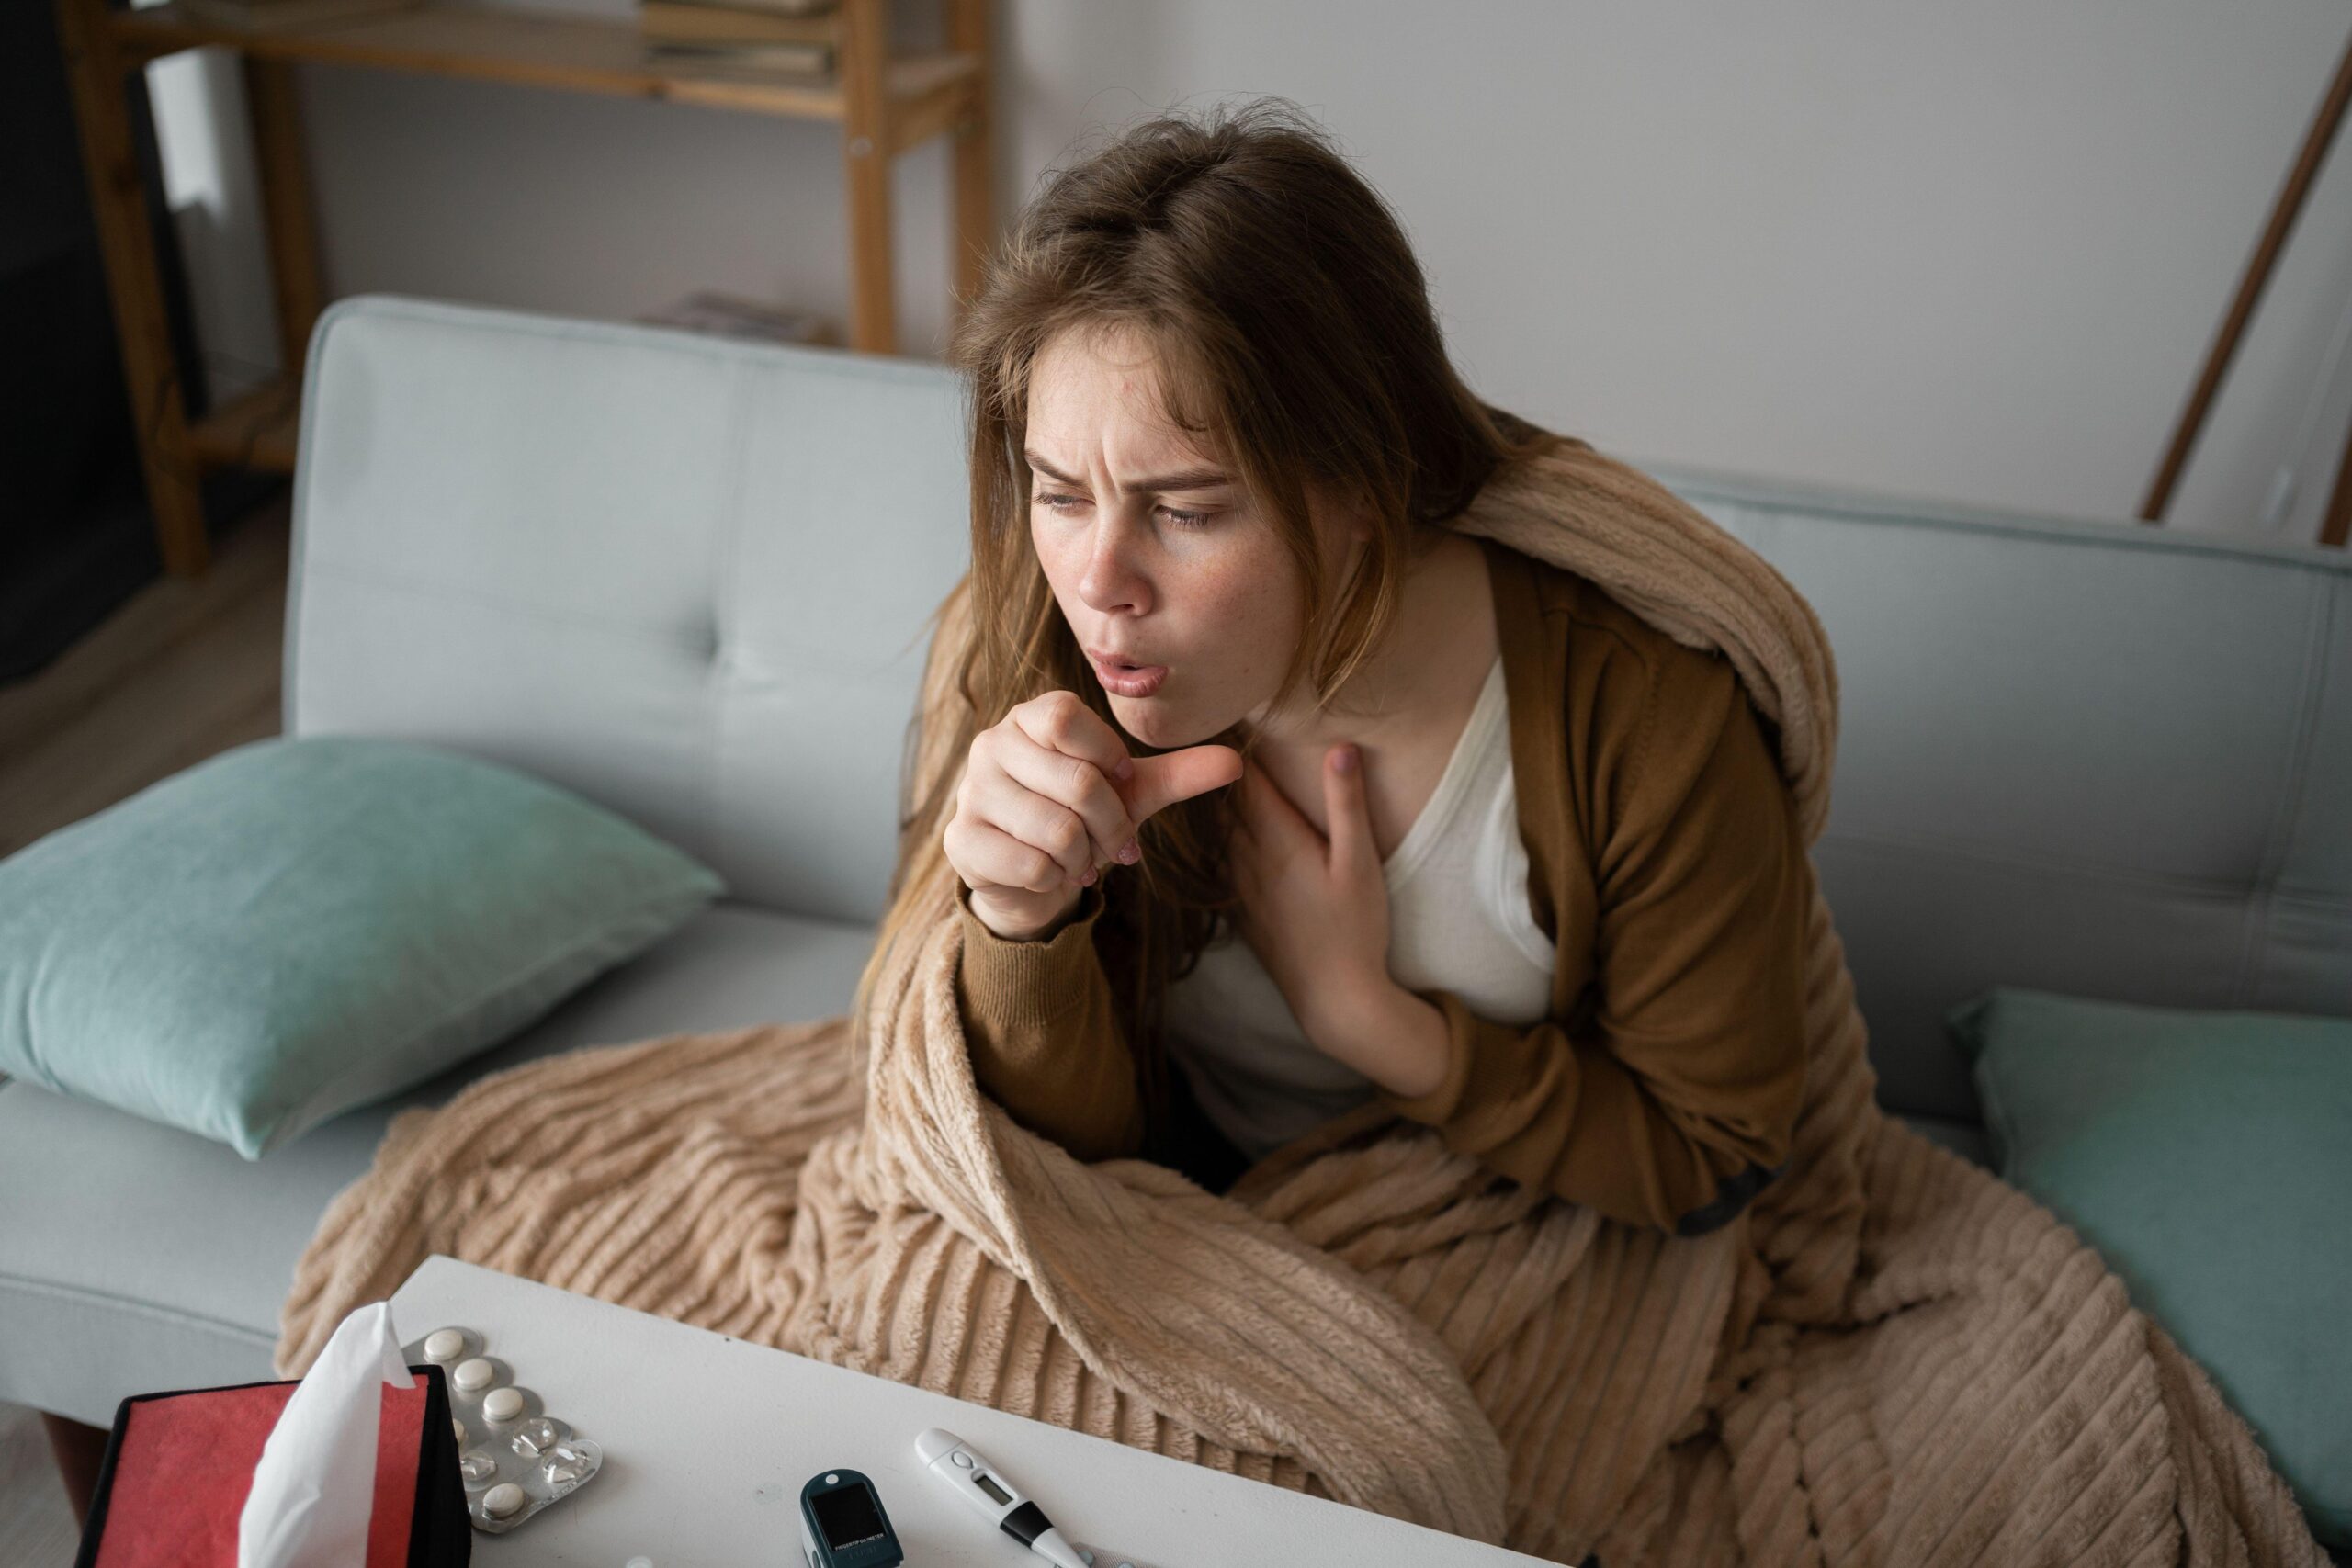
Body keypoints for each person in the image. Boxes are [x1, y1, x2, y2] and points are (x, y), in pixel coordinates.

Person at [864, 98, 1810, 1235]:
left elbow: (1712, 1156)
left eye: (1187, 511)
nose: (1098, 580)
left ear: (1362, 485)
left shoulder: (1643, 715)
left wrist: (1366, 1018)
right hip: (1178, 1212)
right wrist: (1019, 928)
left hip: (1504, 1217)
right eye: (1061, 496)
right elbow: (1053, 1172)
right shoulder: (1024, 641)